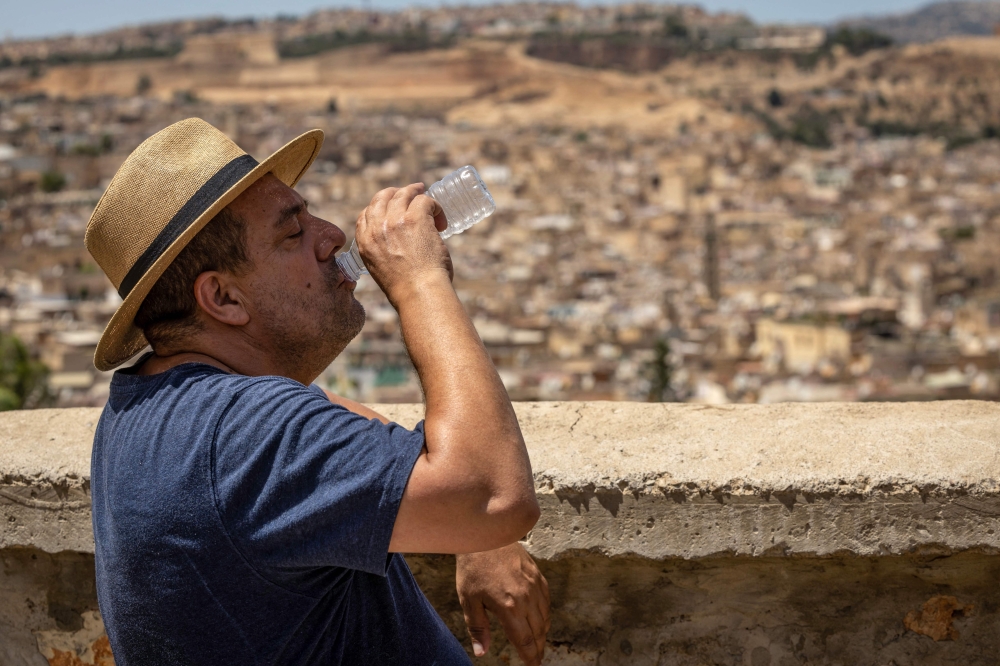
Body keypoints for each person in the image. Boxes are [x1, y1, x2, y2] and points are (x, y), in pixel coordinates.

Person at [84, 118, 550, 664]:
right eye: (293, 233)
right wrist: (420, 280)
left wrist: (458, 518)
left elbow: (319, 416)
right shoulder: (244, 436)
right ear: (223, 298)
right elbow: (496, 496)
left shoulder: (148, 407)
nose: (332, 236)